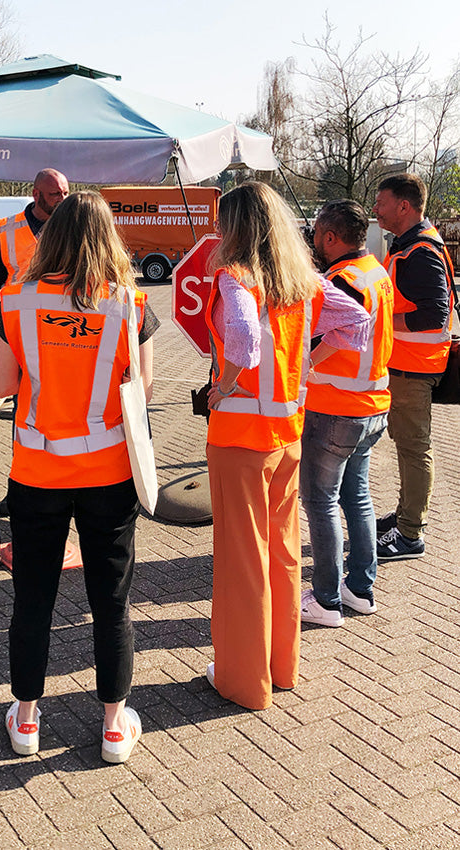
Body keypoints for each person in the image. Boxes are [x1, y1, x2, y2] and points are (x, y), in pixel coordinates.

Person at [0, 191, 158, 763]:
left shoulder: (15, 301)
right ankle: (114, 725)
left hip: (37, 470)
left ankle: (28, 720)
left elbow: (3, 387)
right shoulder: (129, 304)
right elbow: (143, 391)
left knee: (32, 597)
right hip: (109, 473)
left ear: (50, 234)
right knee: (111, 600)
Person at [204, 182, 369, 711]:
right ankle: (282, 666)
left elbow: (246, 344)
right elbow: (358, 322)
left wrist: (223, 385)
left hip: (238, 436)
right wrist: (309, 365)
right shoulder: (304, 283)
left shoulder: (236, 278)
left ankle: (242, 679)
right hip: (287, 435)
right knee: (280, 552)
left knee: (241, 560)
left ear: (236, 229)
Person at [300, 200, 394, 628]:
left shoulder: (343, 279)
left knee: (321, 502)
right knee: (357, 498)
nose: (313, 240)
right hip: (372, 403)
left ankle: (325, 600)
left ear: (331, 237)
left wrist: (308, 364)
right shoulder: (375, 270)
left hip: (337, 406)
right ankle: (360, 590)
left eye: (317, 233)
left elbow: (344, 330)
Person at [371, 173, 455, 560]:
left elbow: (434, 316)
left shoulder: (419, 252)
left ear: (404, 206)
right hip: (408, 366)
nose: (376, 208)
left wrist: (381, 322)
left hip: (413, 369)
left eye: (381, 201)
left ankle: (409, 534)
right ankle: (406, 517)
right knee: (408, 447)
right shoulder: (411, 246)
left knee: (414, 448)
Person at [0, 168, 70, 515]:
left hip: (59, 333)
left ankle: (63, 485)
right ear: (36, 195)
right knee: (21, 410)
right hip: (16, 334)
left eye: (65, 193)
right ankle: (21, 487)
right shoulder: (8, 231)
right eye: (55, 194)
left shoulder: (72, 227)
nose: (62, 199)